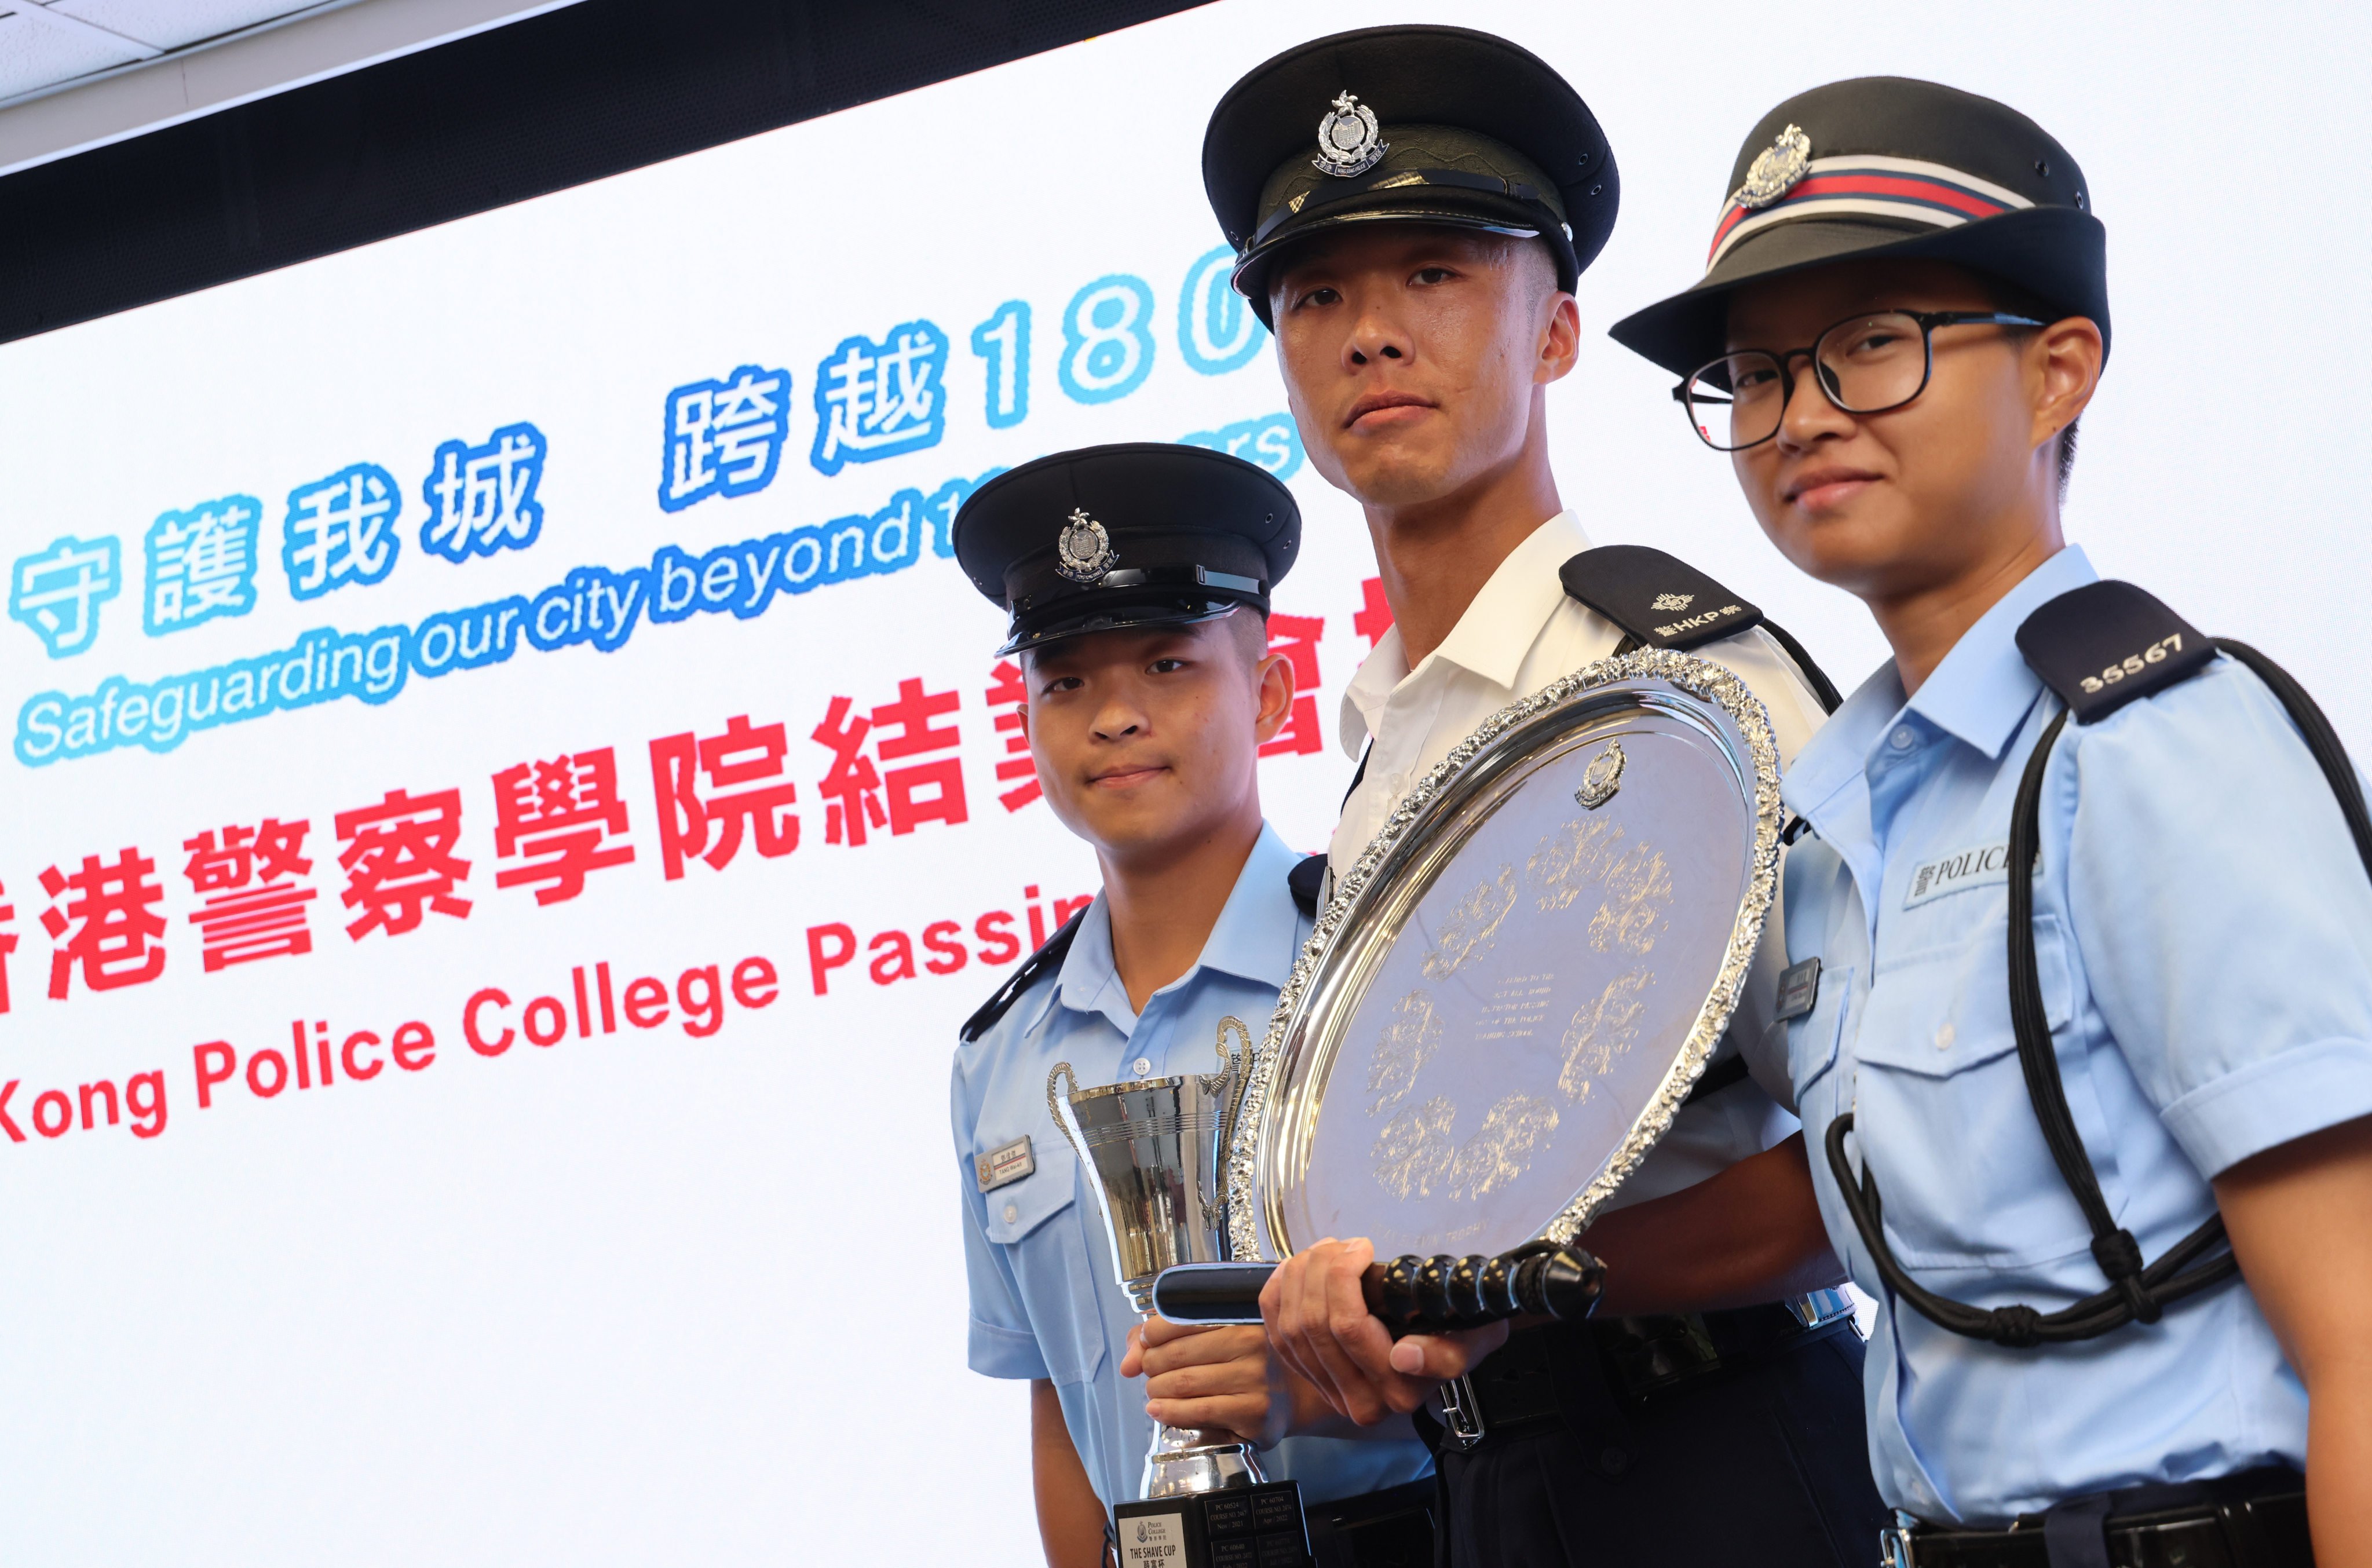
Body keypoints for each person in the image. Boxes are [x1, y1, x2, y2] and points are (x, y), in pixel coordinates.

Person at [1608, 74, 2372, 1567]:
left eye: (1871, 347)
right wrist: (1486, 1292)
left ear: (2056, 372)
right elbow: (1835, 1204)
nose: (1799, 417)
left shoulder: (2151, 746)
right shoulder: (1819, 831)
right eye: (1755, 375)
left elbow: (2358, 1326)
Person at [1196, 25, 1891, 1568]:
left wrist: (1505, 1288)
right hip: (1498, 1479)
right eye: (1318, 296)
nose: (1373, 334)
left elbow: (1876, 1156)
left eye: (1435, 273)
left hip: (1723, 1459)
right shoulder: (1383, 735)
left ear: (1558, 330)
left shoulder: (1685, 688)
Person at [947, 442, 1437, 1568]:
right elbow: (1059, 1419)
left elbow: (1515, 1358)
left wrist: (1311, 1388)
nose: (1112, 716)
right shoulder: (999, 1057)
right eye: (1063, 680)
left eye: (1166, 665)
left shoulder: (1378, 966)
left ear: (1266, 692)